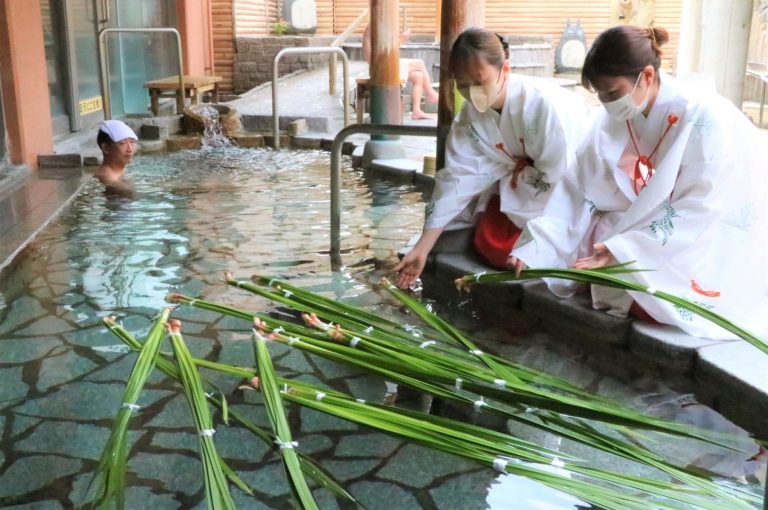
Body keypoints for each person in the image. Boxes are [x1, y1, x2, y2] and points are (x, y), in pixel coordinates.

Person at [507, 25, 768, 339]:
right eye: (600, 95)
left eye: (612, 93)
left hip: (724, 219)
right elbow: (581, 185)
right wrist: (539, 242)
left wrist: (623, 249)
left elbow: (702, 205)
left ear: (646, 75)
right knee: (599, 249)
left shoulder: (704, 117)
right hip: (673, 214)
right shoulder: (622, 112)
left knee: (660, 292)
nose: (606, 103)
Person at [394, 27, 592, 289]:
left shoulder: (543, 106)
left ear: (505, 70)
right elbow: (458, 179)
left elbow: (563, 180)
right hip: (522, 188)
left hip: (571, 192)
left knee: (550, 254)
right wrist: (422, 249)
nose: (471, 92)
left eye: (480, 82)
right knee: (491, 243)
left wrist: (538, 243)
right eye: (462, 85)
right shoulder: (469, 117)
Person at [362, 24, 439, 120]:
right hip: (381, 67)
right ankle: (431, 93)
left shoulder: (376, 26)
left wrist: (400, 39)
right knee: (419, 63)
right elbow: (387, 50)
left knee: (418, 76)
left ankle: (416, 111)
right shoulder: (376, 25)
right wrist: (402, 38)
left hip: (383, 65)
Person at [94, 119, 138, 196]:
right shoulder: (112, 182)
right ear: (105, 148)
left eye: (131, 142)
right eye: (122, 143)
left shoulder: (118, 171)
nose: (130, 149)